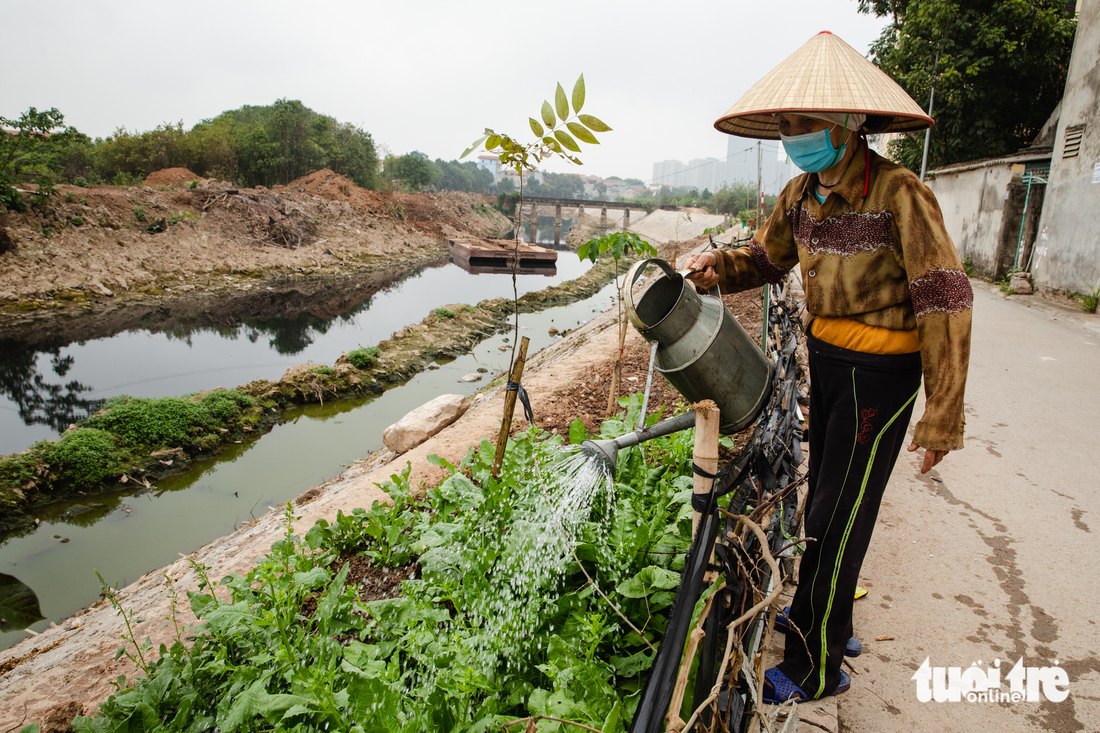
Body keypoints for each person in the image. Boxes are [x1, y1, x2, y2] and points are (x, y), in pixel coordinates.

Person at [685, 31, 972, 703]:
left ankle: (817, 663)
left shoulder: (901, 193)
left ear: (846, 124)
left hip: (883, 376)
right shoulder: (801, 194)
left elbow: (945, 295)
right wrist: (713, 270)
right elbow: (765, 259)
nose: (792, 134)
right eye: (785, 124)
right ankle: (825, 619)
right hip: (828, 361)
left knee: (842, 513)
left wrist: (941, 413)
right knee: (825, 501)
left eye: (804, 122)